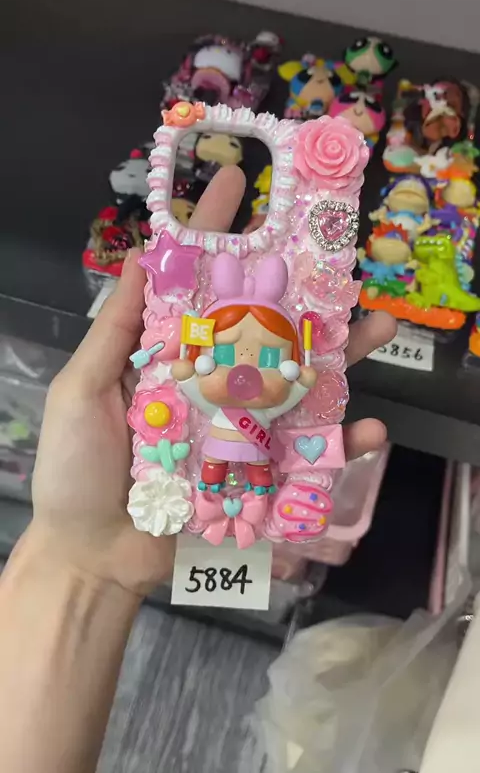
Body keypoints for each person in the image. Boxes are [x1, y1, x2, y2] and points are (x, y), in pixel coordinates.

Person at [0, 166, 397, 773]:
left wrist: (300, 380)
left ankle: (238, 508)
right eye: (229, 350)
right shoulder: (206, 381)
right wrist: (188, 373)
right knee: (216, 481)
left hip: (256, 455)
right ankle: (216, 504)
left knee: (256, 481)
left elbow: (298, 384)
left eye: (266, 354)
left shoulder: (280, 385)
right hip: (211, 454)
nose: (246, 364)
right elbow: (189, 376)